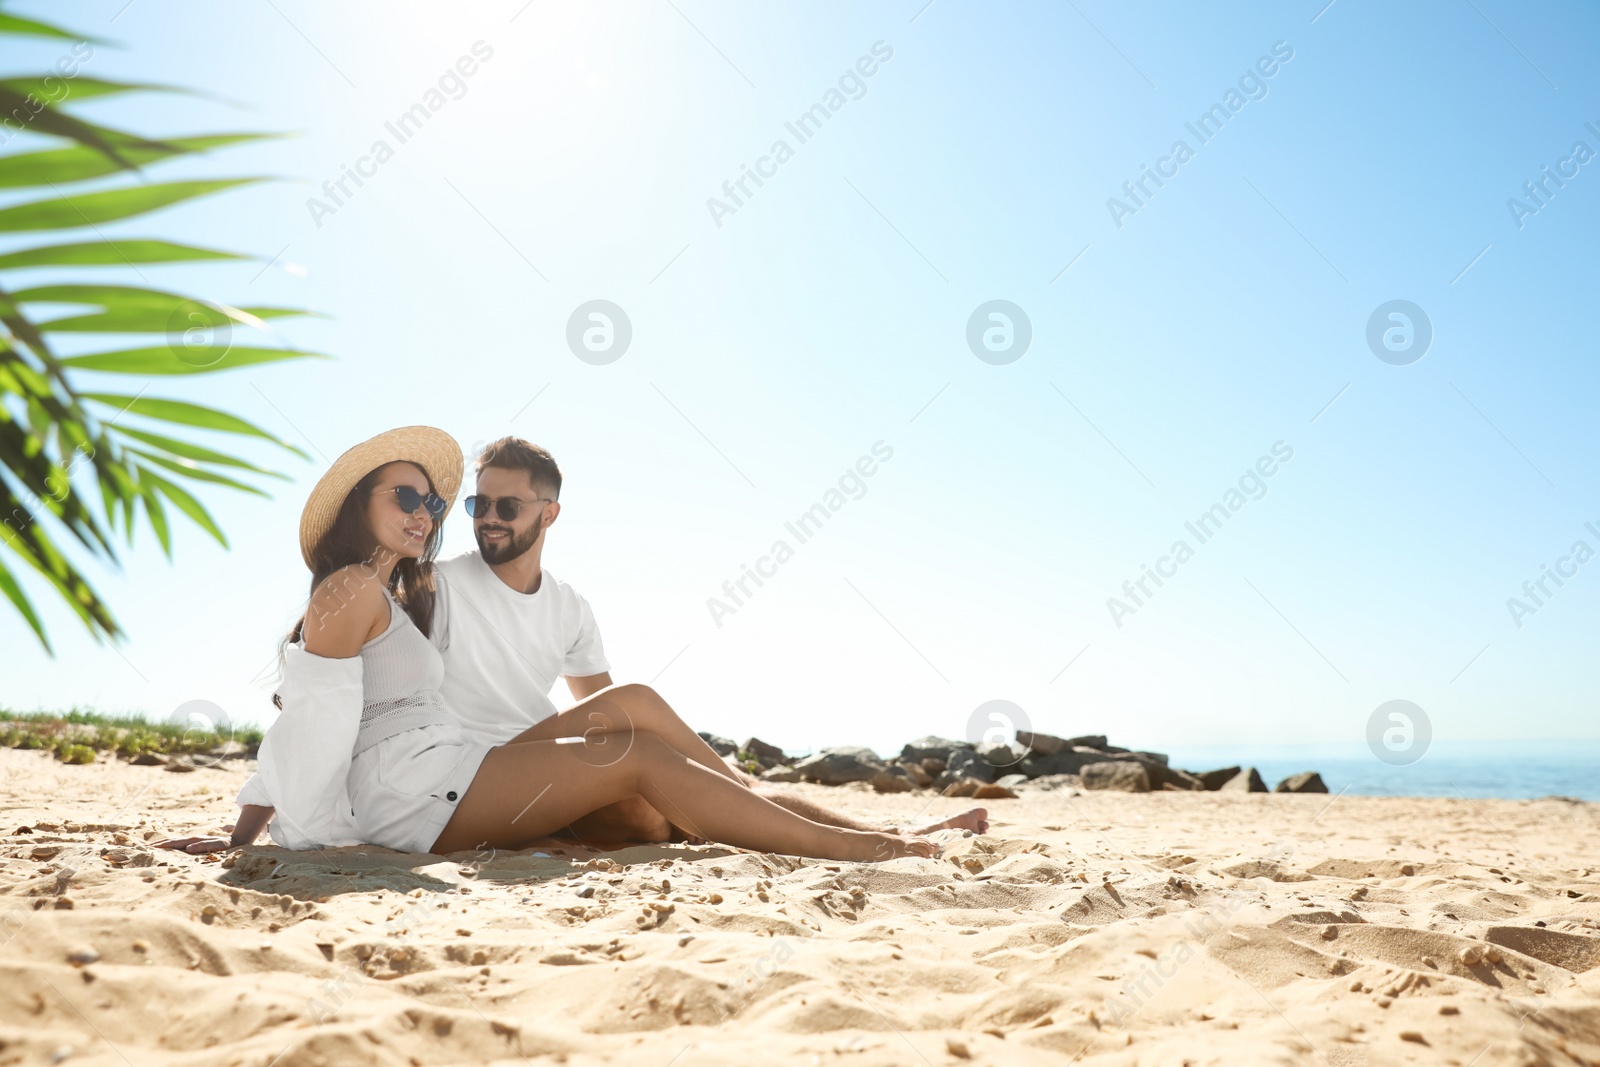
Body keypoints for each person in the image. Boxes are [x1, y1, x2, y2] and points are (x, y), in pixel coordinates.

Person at [158, 427, 935, 863]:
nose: (430, 512)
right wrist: (262, 839)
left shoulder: (391, 592)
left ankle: (805, 821)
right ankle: (845, 845)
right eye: (409, 497)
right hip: (414, 793)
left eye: (430, 500)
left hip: (449, 769)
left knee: (630, 708)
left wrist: (247, 829)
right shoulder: (358, 591)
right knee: (636, 758)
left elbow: (310, 703)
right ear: (359, 504)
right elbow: (311, 725)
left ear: (548, 513)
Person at [429, 436, 989, 844]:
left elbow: (603, 713)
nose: (489, 520)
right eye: (480, 505)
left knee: (670, 775)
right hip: (485, 773)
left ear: (549, 514)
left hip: (544, 753)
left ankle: (885, 830)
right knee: (649, 796)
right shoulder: (443, 584)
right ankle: (841, 831)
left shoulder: (569, 606)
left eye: (508, 506)